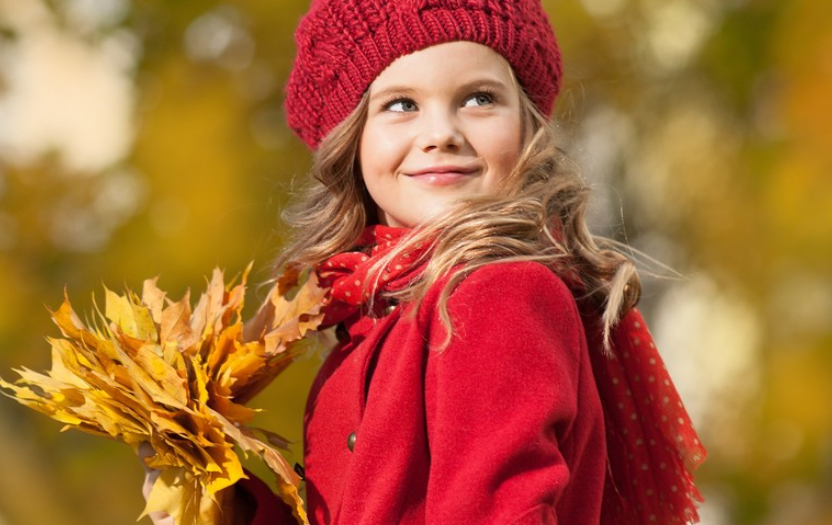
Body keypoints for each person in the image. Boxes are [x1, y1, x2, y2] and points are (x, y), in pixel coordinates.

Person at [143, 1, 707, 524]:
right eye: (401, 105)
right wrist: (224, 504)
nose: (441, 133)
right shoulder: (368, 318)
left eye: (479, 98)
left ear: (527, 126)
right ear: (352, 141)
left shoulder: (500, 295)